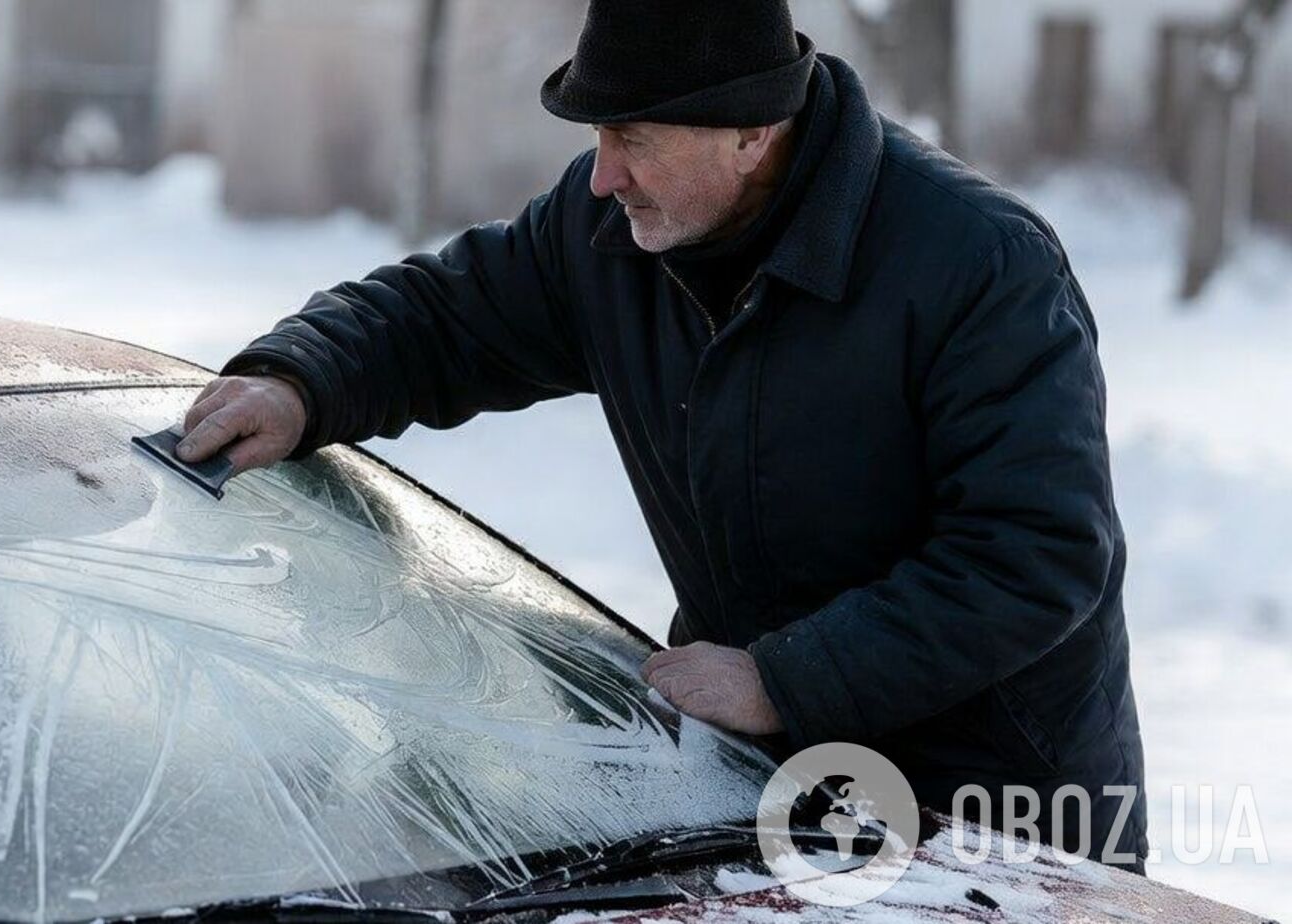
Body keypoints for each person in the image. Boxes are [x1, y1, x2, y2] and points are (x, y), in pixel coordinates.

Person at [175, 0, 1145, 868]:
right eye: (599, 133)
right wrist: (301, 379)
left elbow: (1035, 555)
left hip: (1004, 824)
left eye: (631, 137)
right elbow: (446, 320)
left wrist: (784, 680)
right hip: (777, 798)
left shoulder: (978, 266)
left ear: (752, 133)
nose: (604, 175)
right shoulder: (608, 240)